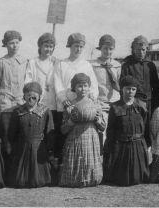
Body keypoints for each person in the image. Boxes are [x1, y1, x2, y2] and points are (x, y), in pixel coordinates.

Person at [53, 32, 99, 162]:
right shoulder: (61, 64)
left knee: (81, 137)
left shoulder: (86, 65)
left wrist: (92, 98)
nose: (78, 49)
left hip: (83, 107)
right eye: (75, 46)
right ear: (70, 46)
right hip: (66, 106)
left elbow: (93, 86)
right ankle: (63, 166)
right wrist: (65, 101)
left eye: (80, 46)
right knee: (64, 136)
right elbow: (58, 85)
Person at [5, 82, 55, 188]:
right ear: (24, 96)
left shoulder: (45, 111)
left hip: (39, 149)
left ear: (39, 97)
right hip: (22, 147)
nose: (31, 99)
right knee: (19, 180)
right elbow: (12, 132)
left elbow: (49, 132)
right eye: (28, 96)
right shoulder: (18, 112)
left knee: (39, 177)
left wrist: (49, 149)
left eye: (34, 97)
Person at [58, 73, 105, 187]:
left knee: (90, 162)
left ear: (89, 87)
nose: (83, 89)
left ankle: (92, 178)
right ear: (74, 87)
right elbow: (63, 130)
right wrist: (71, 122)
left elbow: (103, 127)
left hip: (91, 137)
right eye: (79, 86)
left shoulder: (95, 104)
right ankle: (74, 179)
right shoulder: (70, 106)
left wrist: (98, 120)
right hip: (75, 138)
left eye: (85, 85)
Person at [104, 75, 150, 186]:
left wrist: (147, 144)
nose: (130, 91)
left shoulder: (141, 106)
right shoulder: (115, 107)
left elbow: (146, 125)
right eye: (127, 89)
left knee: (137, 177)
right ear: (122, 89)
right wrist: (110, 146)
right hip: (121, 145)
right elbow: (110, 129)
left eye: (133, 89)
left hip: (138, 145)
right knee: (121, 178)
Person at [24, 33, 60, 169]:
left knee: (51, 134)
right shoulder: (33, 62)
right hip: (38, 104)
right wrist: (35, 94)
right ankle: (39, 164)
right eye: (46, 46)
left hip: (53, 103)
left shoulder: (56, 62)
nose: (48, 49)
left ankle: (52, 164)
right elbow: (28, 81)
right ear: (40, 46)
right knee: (39, 134)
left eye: (51, 46)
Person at [0, 30, 28, 158]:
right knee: (6, 134)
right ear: (6, 45)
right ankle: (6, 168)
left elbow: (27, 83)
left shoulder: (24, 61)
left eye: (17, 43)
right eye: (11, 43)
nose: (14, 46)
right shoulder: (1, 62)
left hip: (20, 103)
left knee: (20, 134)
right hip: (5, 103)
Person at [120, 35, 159, 147]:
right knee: (135, 129)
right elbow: (122, 87)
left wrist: (156, 104)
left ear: (146, 50)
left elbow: (155, 86)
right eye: (138, 49)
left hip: (148, 103)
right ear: (133, 49)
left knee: (148, 130)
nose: (140, 52)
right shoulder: (127, 65)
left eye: (143, 50)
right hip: (134, 103)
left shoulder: (150, 65)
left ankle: (146, 156)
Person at [90, 34, 121, 150]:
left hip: (115, 103)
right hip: (100, 103)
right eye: (105, 48)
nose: (108, 51)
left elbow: (119, 85)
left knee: (115, 133)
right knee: (102, 133)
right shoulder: (93, 65)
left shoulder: (117, 65)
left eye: (111, 49)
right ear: (100, 49)